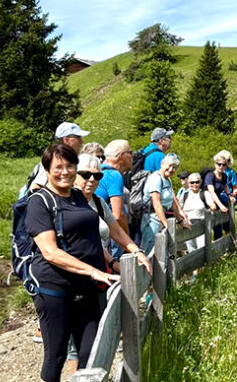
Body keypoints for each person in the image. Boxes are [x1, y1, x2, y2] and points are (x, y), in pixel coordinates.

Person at [24, 144, 118, 382]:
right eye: (58, 167)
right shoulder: (39, 202)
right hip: (54, 289)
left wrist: (118, 259)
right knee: (55, 355)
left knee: (90, 352)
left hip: (85, 288)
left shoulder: (77, 196)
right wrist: (94, 272)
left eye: (70, 166)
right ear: (47, 169)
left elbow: (93, 237)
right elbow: (51, 253)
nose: (65, 172)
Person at [66, 154, 151, 372]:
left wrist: (135, 251)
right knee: (75, 348)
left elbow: (115, 232)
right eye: (86, 175)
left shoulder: (97, 202)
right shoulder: (65, 202)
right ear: (74, 174)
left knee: (94, 338)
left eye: (97, 175)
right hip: (71, 280)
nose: (92, 180)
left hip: (98, 278)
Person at [142, 154, 191, 254]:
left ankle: (166, 269)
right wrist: (167, 226)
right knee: (151, 252)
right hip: (152, 220)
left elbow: (173, 203)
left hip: (161, 218)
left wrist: (181, 220)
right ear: (162, 163)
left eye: (174, 167)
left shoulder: (167, 180)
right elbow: (156, 204)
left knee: (164, 253)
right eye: (169, 165)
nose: (171, 169)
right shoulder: (155, 178)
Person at [25, 122, 90, 195]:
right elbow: (35, 188)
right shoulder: (53, 161)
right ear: (66, 140)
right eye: (78, 137)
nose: (81, 142)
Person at [95, 140, 133, 264]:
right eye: (130, 153)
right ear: (121, 156)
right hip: (106, 236)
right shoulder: (113, 175)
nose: (132, 156)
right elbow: (117, 216)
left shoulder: (99, 172)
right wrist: (127, 242)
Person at [178, 172, 214, 252]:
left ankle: (206, 264)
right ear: (188, 182)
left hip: (201, 224)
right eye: (192, 182)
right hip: (187, 225)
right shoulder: (184, 195)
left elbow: (211, 205)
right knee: (191, 249)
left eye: (197, 182)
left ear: (200, 182)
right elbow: (179, 208)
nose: (194, 184)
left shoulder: (204, 194)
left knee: (202, 248)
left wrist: (212, 208)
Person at [205, 153, 231, 240]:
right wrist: (220, 206)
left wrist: (229, 195)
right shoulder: (210, 176)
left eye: (223, 165)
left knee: (227, 222)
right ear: (215, 164)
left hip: (218, 199)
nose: (221, 166)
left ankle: (229, 244)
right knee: (217, 228)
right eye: (219, 164)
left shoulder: (224, 176)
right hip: (209, 201)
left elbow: (225, 186)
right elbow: (211, 192)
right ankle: (217, 249)